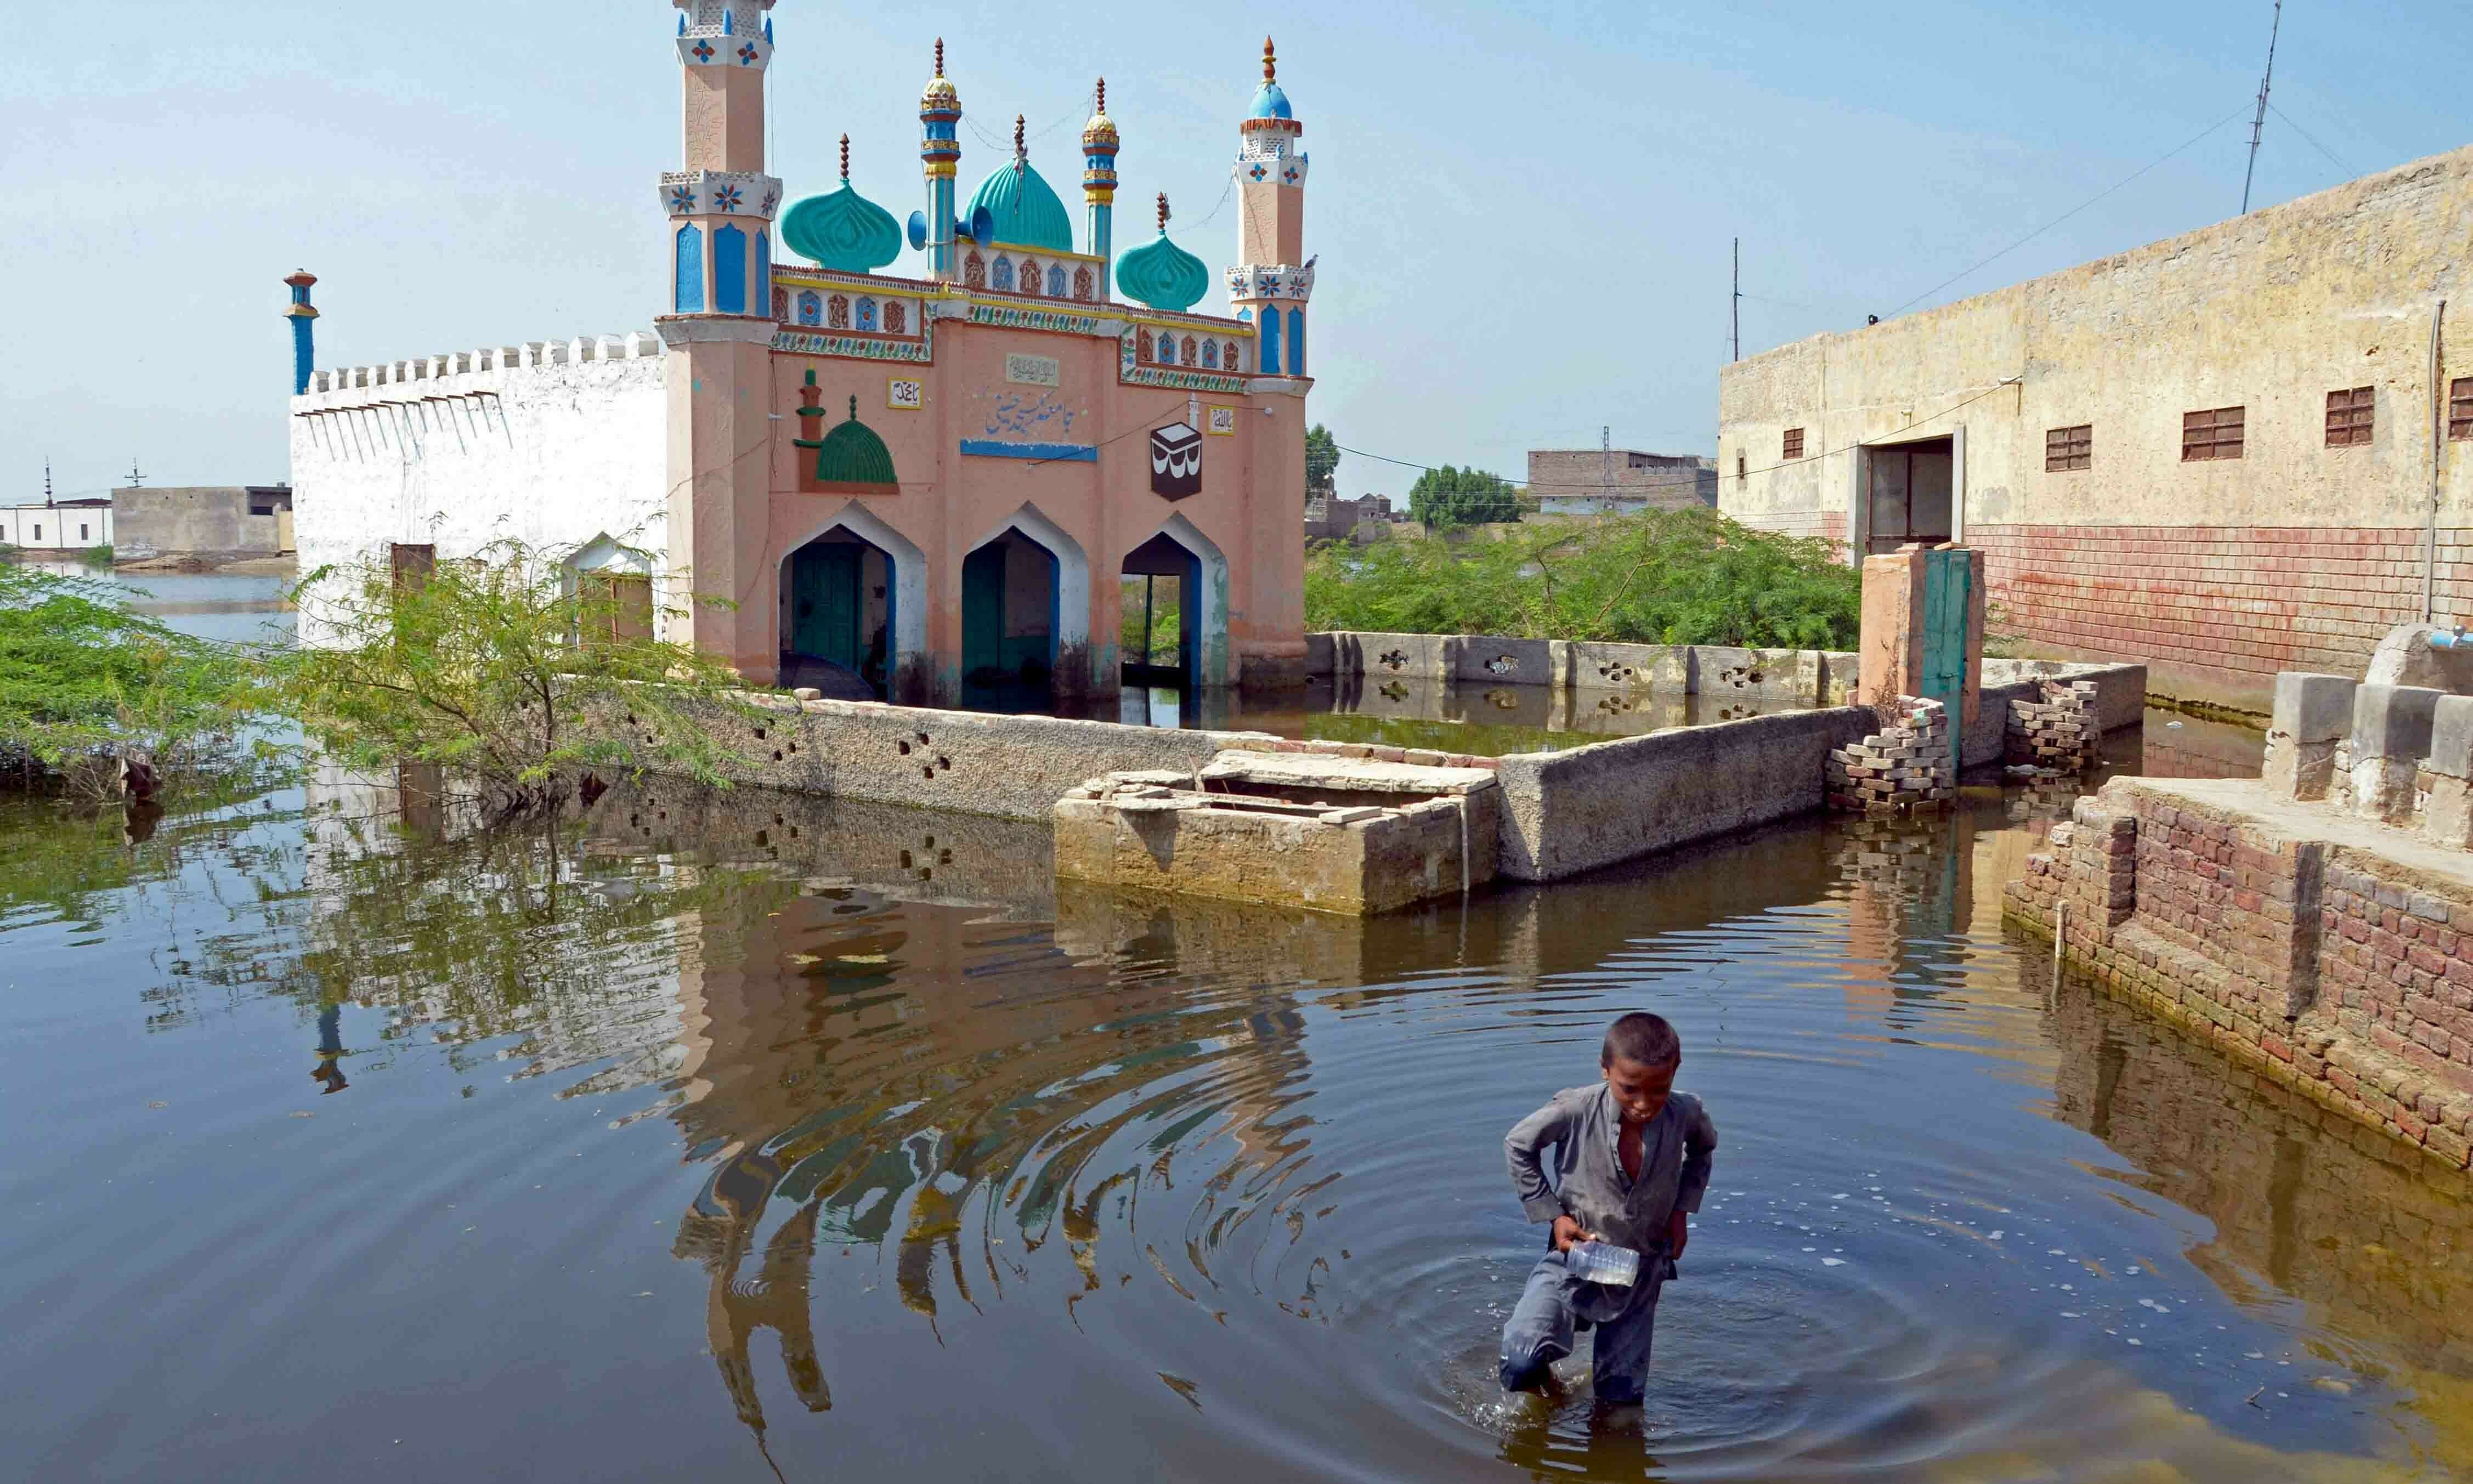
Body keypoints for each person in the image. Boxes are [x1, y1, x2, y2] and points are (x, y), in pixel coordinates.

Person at [1498, 1011, 1717, 1403]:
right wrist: (1553, 1214)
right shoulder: (1575, 1109)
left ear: (1675, 1071)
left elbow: (1703, 1150)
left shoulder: (1685, 1114)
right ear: (1605, 1070)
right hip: (1574, 1257)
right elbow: (1518, 1145)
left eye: (1658, 1089)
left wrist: (1681, 1212)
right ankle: (1552, 1393)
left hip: (1641, 1265)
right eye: (1629, 1088)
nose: (1643, 1104)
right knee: (1520, 1363)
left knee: (1619, 1405)